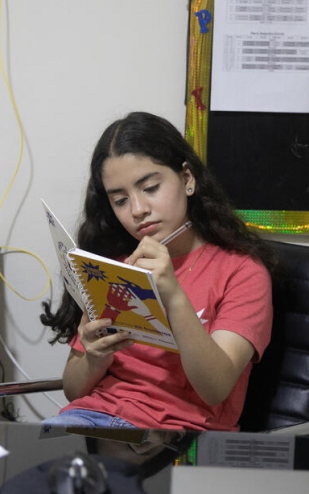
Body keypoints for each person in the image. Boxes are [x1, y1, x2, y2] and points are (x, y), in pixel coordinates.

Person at [40, 112, 278, 431]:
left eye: (150, 188)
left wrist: (175, 296)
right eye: (121, 200)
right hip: (91, 421)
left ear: (187, 179)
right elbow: (73, 390)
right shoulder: (112, 266)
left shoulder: (242, 272)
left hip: (180, 437)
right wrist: (94, 357)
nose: (138, 210)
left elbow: (215, 388)